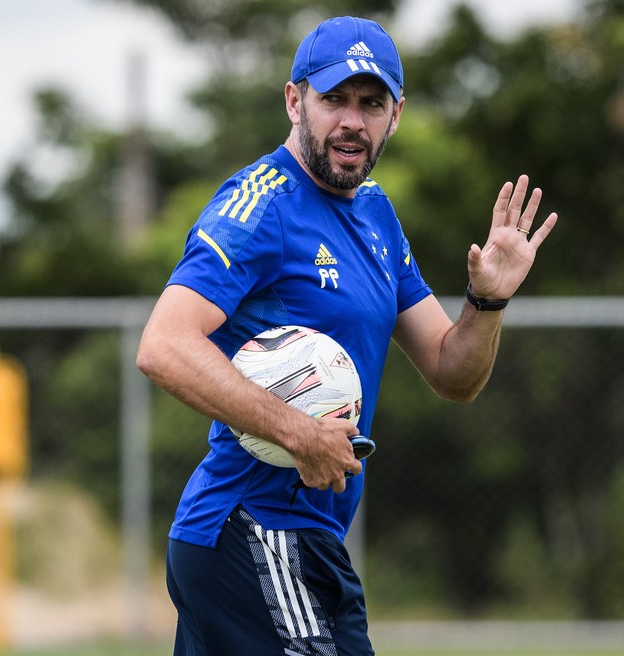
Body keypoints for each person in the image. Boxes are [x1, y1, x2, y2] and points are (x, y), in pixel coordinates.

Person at [136, 15, 558, 656]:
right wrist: (299, 432)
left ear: (396, 114)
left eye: (372, 103)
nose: (352, 121)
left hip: (303, 538)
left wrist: (488, 299)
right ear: (294, 100)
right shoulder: (260, 205)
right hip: (252, 531)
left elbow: (452, 373)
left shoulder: (377, 216)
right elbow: (164, 345)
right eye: (334, 99)